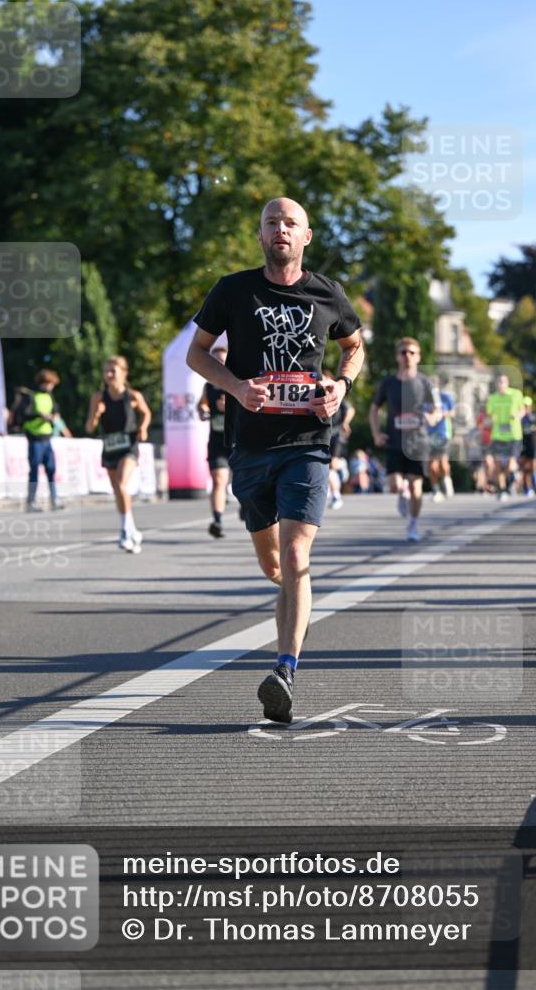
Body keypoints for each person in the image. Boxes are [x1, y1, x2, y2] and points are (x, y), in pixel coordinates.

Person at [186, 196, 364, 725]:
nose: (280, 229)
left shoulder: (327, 292)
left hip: (308, 441)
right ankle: (293, 599)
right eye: (271, 222)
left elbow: (354, 345)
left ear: (306, 236)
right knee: (273, 565)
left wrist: (341, 385)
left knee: (294, 557)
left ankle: (284, 670)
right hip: (251, 448)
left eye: (291, 223)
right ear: (259, 234)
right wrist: (237, 387)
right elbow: (196, 354)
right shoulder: (233, 289)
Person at [369, 337, 441, 542]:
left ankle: (413, 525)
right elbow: (374, 409)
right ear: (397, 357)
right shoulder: (388, 383)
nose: (407, 356)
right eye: (403, 352)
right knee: (394, 484)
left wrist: (431, 417)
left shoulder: (425, 382)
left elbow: (438, 411)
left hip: (418, 442)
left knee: (416, 486)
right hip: (394, 440)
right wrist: (376, 433)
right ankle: (402, 493)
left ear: (418, 357)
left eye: (411, 352)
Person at [86, 356, 151, 553]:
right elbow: (89, 427)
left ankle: (124, 530)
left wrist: (143, 427)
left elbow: (146, 413)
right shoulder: (98, 397)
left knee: (122, 485)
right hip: (110, 447)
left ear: (124, 373)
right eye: (106, 371)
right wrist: (97, 414)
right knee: (118, 490)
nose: (109, 375)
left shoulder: (133, 396)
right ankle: (132, 530)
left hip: (128, 447)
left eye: (113, 371)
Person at [12, 370, 63, 512]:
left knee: (51, 469)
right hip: (35, 437)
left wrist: (55, 416)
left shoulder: (50, 397)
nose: (50, 387)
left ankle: (54, 499)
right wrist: (41, 416)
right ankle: (31, 502)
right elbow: (26, 414)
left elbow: (56, 410)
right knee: (34, 469)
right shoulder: (31, 396)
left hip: (47, 437)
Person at [198, 346, 231, 538]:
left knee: (243, 483)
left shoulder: (239, 382)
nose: (219, 364)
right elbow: (202, 403)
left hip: (239, 442)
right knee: (219, 480)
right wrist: (203, 410)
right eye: (215, 361)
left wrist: (233, 406)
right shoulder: (208, 386)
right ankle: (217, 521)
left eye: (222, 361)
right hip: (217, 442)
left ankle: (247, 507)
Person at [485, 373, 524, 501]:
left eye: (503, 382)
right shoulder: (493, 398)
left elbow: (522, 410)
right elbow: (489, 414)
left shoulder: (516, 394)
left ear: (507, 383)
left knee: (510, 465)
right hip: (498, 436)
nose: (501, 385)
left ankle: (510, 480)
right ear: (496, 385)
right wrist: (491, 418)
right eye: (498, 382)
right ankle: (502, 489)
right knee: (497, 465)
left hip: (513, 435)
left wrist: (517, 415)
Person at [324, 369, 355, 509]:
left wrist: (345, 423)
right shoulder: (315, 396)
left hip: (336, 434)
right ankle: (334, 494)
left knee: (331, 466)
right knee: (327, 467)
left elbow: (351, 410)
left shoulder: (336, 396)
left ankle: (336, 496)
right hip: (323, 435)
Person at [426, 375, 455, 502]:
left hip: (443, 433)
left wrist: (442, 414)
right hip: (428, 435)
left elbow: (453, 412)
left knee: (443, 463)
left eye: (434, 383)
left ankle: (447, 480)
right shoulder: (424, 399)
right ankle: (436, 489)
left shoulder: (445, 397)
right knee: (432, 465)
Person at [519, 396, 536, 497]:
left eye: (527, 405)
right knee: (525, 467)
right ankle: (528, 488)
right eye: (524, 405)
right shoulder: (520, 417)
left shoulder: (535, 415)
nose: (526, 407)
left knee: (534, 466)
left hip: (533, 443)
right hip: (522, 444)